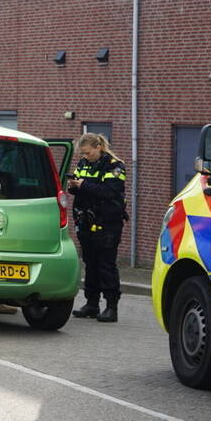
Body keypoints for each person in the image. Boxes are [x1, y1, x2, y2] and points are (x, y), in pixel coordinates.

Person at [65, 133, 127, 323]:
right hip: (86, 220)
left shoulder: (115, 165)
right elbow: (79, 189)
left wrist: (84, 185)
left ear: (98, 147)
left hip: (107, 222)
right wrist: (74, 186)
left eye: (88, 153)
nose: (85, 156)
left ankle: (111, 307)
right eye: (82, 154)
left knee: (106, 264)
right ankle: (91, 304)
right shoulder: (84, 164)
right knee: (90, 263)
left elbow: (110, 192)